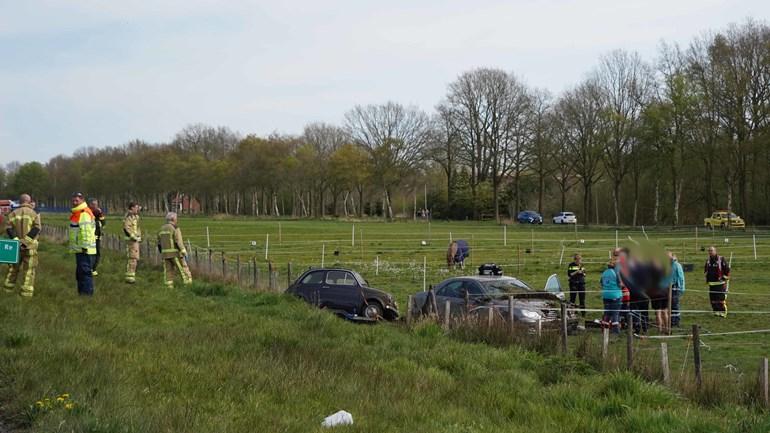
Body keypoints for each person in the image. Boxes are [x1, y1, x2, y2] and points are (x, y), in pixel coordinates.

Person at [3, 194, 41, 297]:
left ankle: (7, 291)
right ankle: (26, 294)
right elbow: (36, 229)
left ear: (19, 202)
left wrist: (16, 241)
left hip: (15, 247)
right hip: (30, 247)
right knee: (28, 270)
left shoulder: (13, 213)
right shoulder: (34, 213)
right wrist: (25, 242)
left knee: (12, 269)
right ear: (29, 202)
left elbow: (8, 228)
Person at [68, 192, 96, 296]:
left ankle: (87, 295)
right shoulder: (78, 212)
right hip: (80, 249)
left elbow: (86, 231)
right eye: (73, 200)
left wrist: (84, 246)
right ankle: (82, 294)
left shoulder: (83, 213)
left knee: (85, 272)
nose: (74, 202)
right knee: (80, 273)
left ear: (82, 200)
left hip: (84, 249)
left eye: (77, 200)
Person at [157, 212, 193, 287]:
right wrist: (183, 250)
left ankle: (169, 286)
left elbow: (159, 242)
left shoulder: (161, 229)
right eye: (176, 218)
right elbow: (178, 241)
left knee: (168, 270)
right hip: (175, 253)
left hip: (165, 254)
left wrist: (161, 252)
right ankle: (188, 284)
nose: (177, 220)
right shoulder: (175, 228)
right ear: (173, 219)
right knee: (183, 269)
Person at [705, 246, 730, 317]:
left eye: (711, 250)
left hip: (720, 283)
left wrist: (724, 278)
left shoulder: (721, 259)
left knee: (720, 298)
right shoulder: (708, 260)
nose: (710, 252)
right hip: (711, 283)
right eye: (709, 251)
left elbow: (727, 270)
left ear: (715, 251)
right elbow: (706, 270)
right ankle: (716, 312)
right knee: (713, 298)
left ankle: (723, 312)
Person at [601, 258, 622, 334]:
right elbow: (620, 284)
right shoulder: (616, 273)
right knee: (615, 313)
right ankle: (615, 331)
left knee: (607, 313)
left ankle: (605, 329)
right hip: (615, 295)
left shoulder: (604, 273)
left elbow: (601, 283)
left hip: (605, 295)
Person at [123, 202, 142, 284]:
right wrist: (133, 236)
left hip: (135, 240)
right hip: (131, 240)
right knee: (133, 258)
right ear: (132, 208)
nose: (137, 209)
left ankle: (131, 276)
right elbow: (126, 228)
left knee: (135, 258)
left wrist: (139, 236)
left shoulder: (136, 217)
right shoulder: (128, 216)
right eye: (136, 208)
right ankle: (130, 277)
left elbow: (137, 228)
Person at [89, 198, 106, 276]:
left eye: (97, 204)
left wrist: (101, 214)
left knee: (97, 253)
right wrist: (98, 223)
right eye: (94, 204)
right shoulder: (88, 212)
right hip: (90, 235)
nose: (96, 206)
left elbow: (103, 223)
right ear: (91, 205)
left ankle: (93, 268)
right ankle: (90, 268)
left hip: (97, 235)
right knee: (92, 253)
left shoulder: (99, 212)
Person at [668, 252, 685, 327]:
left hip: (675, 287)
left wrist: (681, 288)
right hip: (668, 288)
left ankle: (676, 321)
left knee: (675, 304)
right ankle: (671, 320)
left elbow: (681, 277)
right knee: (670, 305)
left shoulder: (677, 265)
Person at [567, 254, 586, 319]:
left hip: (581, 283)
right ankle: (572, 312)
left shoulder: (582, 265)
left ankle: (583, 313)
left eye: (580, 260)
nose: (579, 261)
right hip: (573, 283)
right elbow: (570, 274)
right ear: (575, 260)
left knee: (582, 299)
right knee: (572, 299)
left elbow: (584, 273)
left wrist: (582, 273)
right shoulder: (571, 265)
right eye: (578, 260)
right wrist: (577, 271)